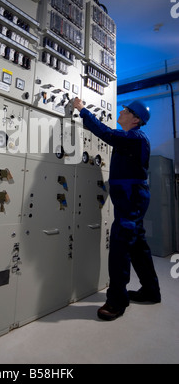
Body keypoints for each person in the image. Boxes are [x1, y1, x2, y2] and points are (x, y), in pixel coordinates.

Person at [73, 97, 161, 321]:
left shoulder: (135, 138)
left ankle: (116, 301)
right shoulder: (134, 138)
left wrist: (83, 110)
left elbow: (108, 134)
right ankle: (151, 290)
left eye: (126, 110)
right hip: (131, 199)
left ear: (135, 119)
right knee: (138, 246)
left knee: (121, 247)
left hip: (131, 200)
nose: (121, 111)